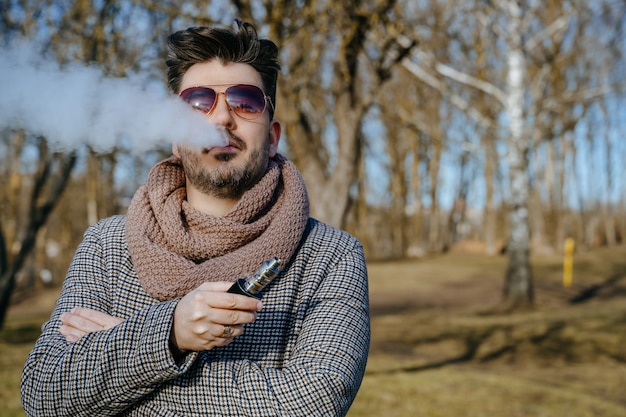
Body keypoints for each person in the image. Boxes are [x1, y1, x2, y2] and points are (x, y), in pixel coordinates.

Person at [21, 20, 370, 417]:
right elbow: (43, 393)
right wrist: (170, 332)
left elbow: (314, 404)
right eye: (199, 102)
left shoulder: (332, 255)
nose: (221, 119)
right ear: (174, 134)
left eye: (245, 101)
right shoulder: (107, 243)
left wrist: (132, 353)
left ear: (272, 137)